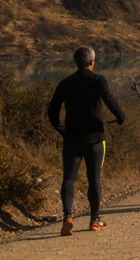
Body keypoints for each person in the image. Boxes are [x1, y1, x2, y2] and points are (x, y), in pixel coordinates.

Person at [47, 46, 126, 236]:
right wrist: (121, 116)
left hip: (72, 139)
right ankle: (94, 220)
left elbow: (52, 111)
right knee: (94, 178)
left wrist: (62, 129)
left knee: (69, 178)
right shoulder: (98, 80)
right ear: (91, 62)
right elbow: (109, 100)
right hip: (95, 139)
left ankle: (67, 217)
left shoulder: (65, 83)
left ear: (76, 62)